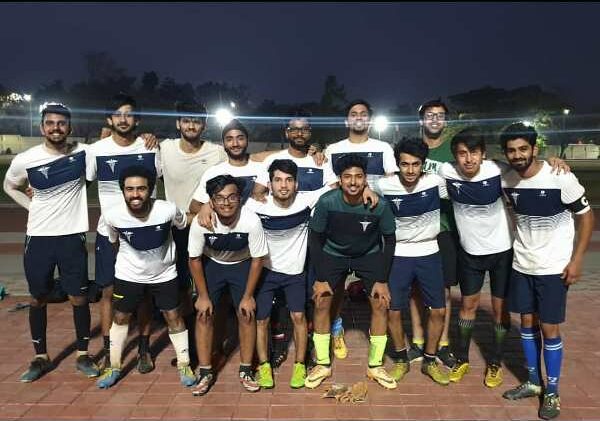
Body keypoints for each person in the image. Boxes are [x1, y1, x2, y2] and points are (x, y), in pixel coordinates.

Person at [500, 123, 594, 420]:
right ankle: (532, 382)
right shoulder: (506, 179)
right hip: (523, 263)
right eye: (512, 150)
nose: (517, 155)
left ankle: (552, 391)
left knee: (549, 327)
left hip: (553, 267)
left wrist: (577, 260)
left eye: (523, 149)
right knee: (527, 322)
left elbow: (587, 218)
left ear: (534, 149)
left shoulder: (559, 176)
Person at [3, 102, 99, 382]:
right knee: (37, 297)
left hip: (72, 236)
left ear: (70, 126)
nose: (56, 128)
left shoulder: (84, 153)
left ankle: (83, 354)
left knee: (78, 296)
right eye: (50, 123)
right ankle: (40, 357)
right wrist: (30, 206)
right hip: (39, 237)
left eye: (61, 123)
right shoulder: (26, 159)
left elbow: (110, 148)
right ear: (41, 126)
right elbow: (9, 186)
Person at [95, 166, 195, 389]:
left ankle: (184, 364)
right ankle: (114, 366)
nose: (135, 194)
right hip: (128, 275)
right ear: (123, 191)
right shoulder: (112, 215)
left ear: (151, 189)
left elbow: (183, 223)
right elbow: (114, 242)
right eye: (129, 189)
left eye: (141, 188)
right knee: (120, 318)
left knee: (173, 316)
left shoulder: (167, 210)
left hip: (165, 274)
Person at [306, 154, 397, 390]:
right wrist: (321, 278)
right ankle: (323, 363)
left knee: (380, 302)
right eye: (347, 177)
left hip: (367, 255)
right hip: (333, 254)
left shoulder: (379, 205)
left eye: (358, 177)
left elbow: (390, 239)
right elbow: (315, 239)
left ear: (365, 179)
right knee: (322, 301)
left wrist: (383, 280)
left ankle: (375, 365)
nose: (353, 182)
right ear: (340, 179)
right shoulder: (327, 202)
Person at [86, 93, 161, 373]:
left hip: (145, 232)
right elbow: (80, 180)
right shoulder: (96, 150)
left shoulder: (151, 147)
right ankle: (109, 350)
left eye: (128, 114)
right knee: (108, 291)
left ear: (137, 119)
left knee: (143, 294)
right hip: (110, 233)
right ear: (109, 120)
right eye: (117, 114)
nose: (123, 119)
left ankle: (143, 348)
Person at [322, 99, 399, 361]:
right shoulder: (333, 149)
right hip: (342, 224)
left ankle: (376, 352)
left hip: (374, 224)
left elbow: (390, 183)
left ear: (369, 119)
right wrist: (358, 190)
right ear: (346, 120)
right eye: (353, 114)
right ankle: (335, 329)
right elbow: (332, 185)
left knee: (378, 293)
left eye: (363, 114)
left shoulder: (383, 148)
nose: (358, 117)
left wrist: (370, 191)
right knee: (335, 288)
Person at [246, 159, 331, 389]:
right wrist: (205, 207)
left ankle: (300, 364)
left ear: (296, 184)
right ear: (270, 184)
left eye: (289, 180)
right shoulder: (255, 206)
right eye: (278, 180)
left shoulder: (306, 201)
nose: (283, 185)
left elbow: (336, 185)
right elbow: (225, 206)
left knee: (299, 318)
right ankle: (264, 365)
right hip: (265, 273)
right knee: (261, 320)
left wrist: (368, 189)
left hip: (295, 274)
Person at [439, 127, 513, 388]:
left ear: (483, 154)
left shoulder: (497, 170)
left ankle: (495, 363)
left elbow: (529, 169)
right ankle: (462, 359)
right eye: (462, 153)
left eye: (473, 152)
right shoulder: (446, 172)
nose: (468, 159)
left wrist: (553, 161)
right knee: (468, 306)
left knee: (499, 309)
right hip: (470, 253)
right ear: (454, 156)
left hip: (502, 252)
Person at [375, 138, 450, 385]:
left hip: (430, 252)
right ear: (397, 164)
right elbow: (359, 187)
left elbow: (469, 180)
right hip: (398, 254)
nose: (410, 170)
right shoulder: (385, 185)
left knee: (438, 309)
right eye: (404, 164)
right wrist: (365, 189)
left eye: (415, 164)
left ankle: (430, 360)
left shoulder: (436, 182)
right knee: (393, 310)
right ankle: (400, 359)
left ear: (423, 164)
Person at [159, 101, 227, 362]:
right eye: (186, 120)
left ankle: (213, 345)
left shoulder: (216, 152)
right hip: (176, 231)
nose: (191, 125)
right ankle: (189, 347)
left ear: (204, 125)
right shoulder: (163, 149)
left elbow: (247, 159)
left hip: (209, 229)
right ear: (178, 123)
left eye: (197, 121)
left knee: (210, 289)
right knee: (181, 292)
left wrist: (313, 152)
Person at [188, 175, 268, 395]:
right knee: (203, 313)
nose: (226, 203)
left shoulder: (251, 220)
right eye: (220, 198)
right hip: (212, 264)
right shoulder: (201, 221)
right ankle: (205, 372)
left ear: (240, 198)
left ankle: (246, 369)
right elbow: (194, 260)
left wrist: (248, 295)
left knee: (246, 312)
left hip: (242, 264)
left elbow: (258, 258)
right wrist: (203, 297)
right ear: (211, 202)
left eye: (232, 197)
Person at [408, 98, 457, 368]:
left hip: (444, 227)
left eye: (440, 115)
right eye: (430, 115)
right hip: (414, 229)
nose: (435, 119)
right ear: (422, 120)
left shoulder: (455, 150)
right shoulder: (413, 149)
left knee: (444, 290)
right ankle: (417, 340)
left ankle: (443, 342)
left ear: (446, 121)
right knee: (415, 288)